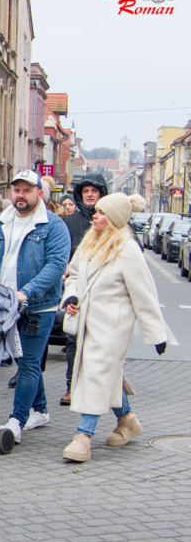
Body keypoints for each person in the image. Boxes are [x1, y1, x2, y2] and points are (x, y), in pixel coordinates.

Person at [59, 194, 166, 462]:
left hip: (113, 326)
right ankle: (127, 420)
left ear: (115, 219)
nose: (95, 216)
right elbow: (73, 276)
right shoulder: (89, 242)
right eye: (96, 211)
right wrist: (71, 297)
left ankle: (83, 436)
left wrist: (157, 335)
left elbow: (144, 295)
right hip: (86, 322)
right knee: (106, 373)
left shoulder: (127, 249)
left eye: (102, 213)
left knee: (96, 373)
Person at [0, 170, 71, 443]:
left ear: (40, 193)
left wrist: (26, 293)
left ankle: (17, 420)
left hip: (37, 306)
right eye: (17, 190)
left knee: (28, 362)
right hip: (3, 305)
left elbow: (56, 265)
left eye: (27, 190)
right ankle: (40, 409)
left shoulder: (53, 225)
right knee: (24, 360)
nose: (21, 195)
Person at [60, 174, 108, 407]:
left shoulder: (112, 221)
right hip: (77, 289)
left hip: (103, 292)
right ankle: (71, 387)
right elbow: (62, 254)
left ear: (101, 194)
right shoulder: (70, 222)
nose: (90, 194)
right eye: (86, 191)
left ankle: (102, 389)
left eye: (94, 191)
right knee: (73, 339)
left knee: (102, 342)